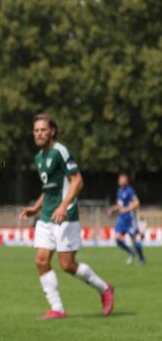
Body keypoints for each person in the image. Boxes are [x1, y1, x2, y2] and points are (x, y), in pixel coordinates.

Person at [19, 114, 114, 319]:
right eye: (36, 130)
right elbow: (49, 189)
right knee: (41, 260)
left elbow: (77, 180)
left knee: (67, 265)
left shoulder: (60, 151)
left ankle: (105, 288)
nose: (39, 133)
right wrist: (36, 208)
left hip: (66, 215)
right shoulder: (39, 157)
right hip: (46, 216)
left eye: (43, 129)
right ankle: (57, 308)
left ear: (52, 131)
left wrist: (63, 205)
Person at [109, 173, 146, 265]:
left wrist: (127, 209)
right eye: (120, 179)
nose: (121, 181)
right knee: (117, 239)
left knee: (134, 239)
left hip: (130, 219)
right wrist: (113, 209)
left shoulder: (130, 191)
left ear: (126, 181)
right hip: (121, 219)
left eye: (123, 180)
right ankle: (131, 252)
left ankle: (141, 258)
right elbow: (120, 205)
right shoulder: (119, 191)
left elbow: (137, 203)